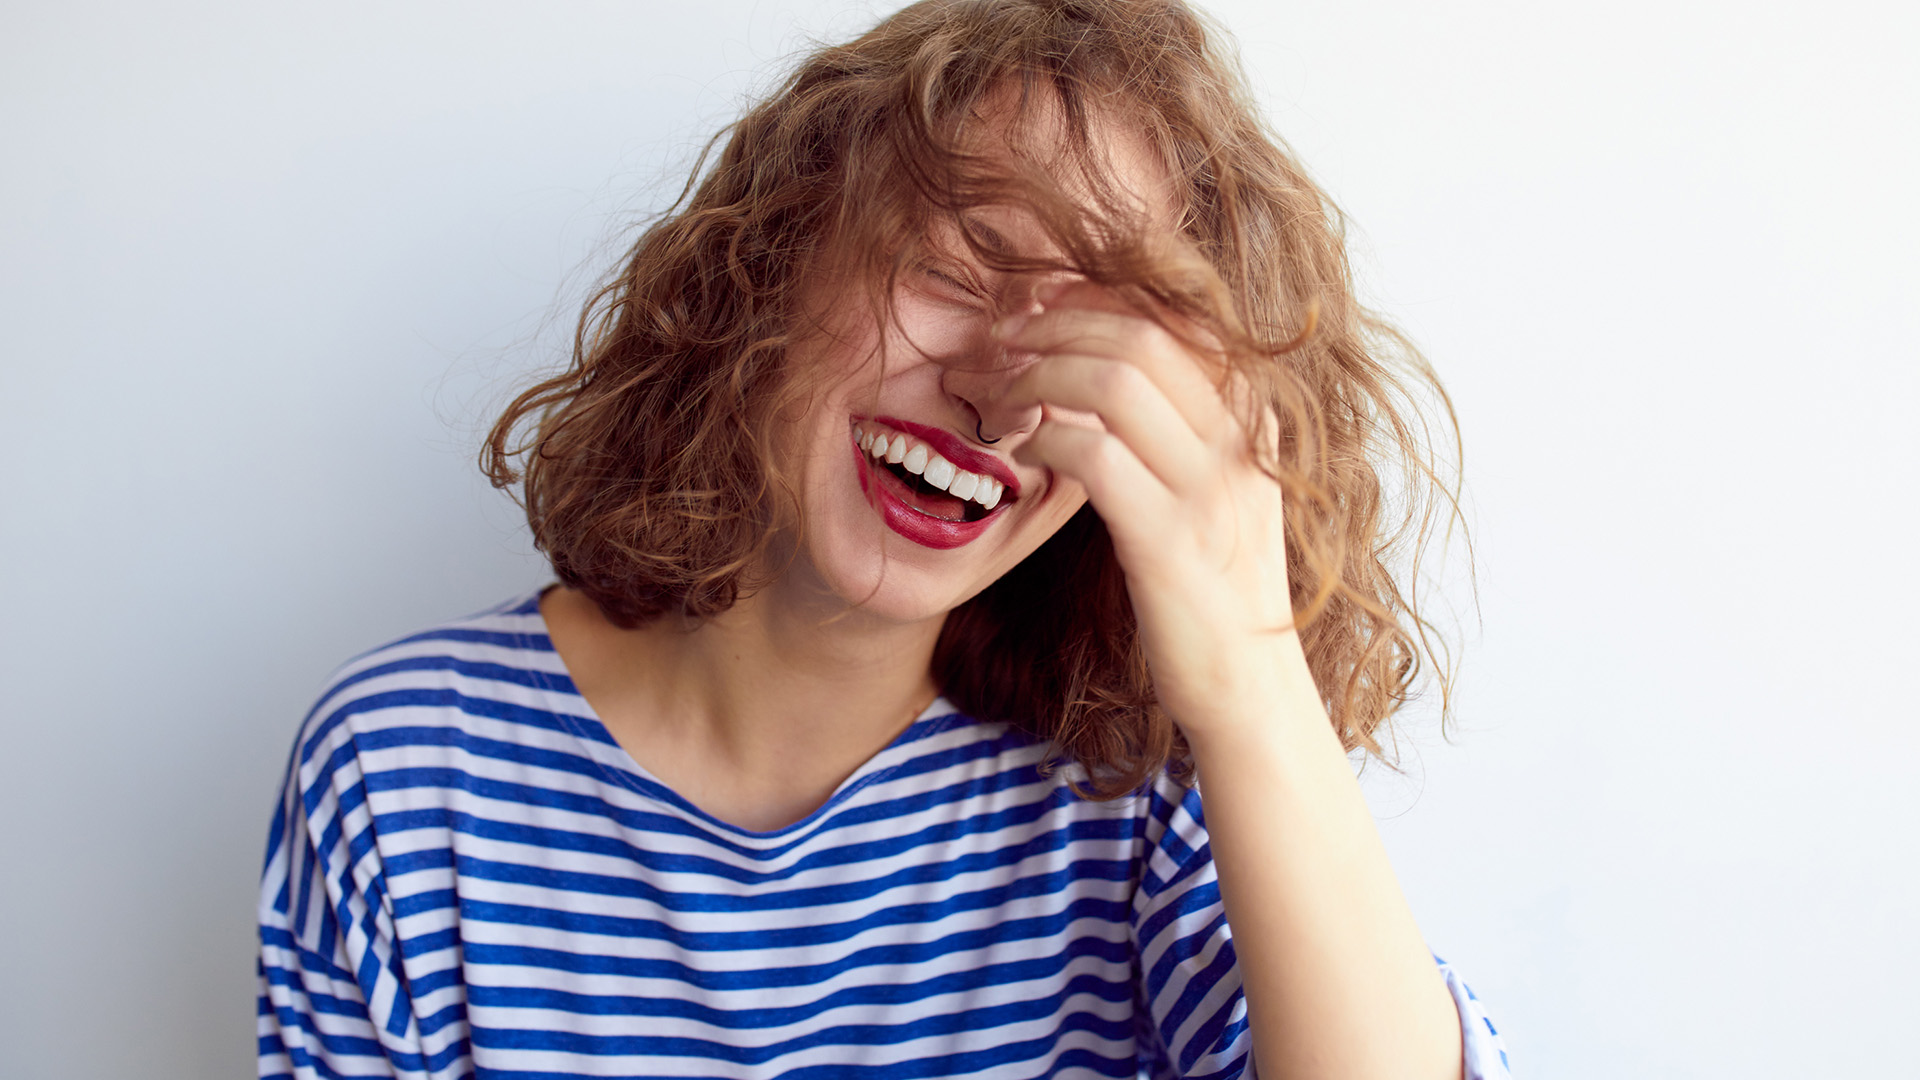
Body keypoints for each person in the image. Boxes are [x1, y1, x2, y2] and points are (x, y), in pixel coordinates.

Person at [256, 0, 1511, 1076]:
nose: (997, 393)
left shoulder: (1138, 806)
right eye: (963, 267)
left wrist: (1246, 674)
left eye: (1104, 347)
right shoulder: (404, 780)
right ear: (777, 256)